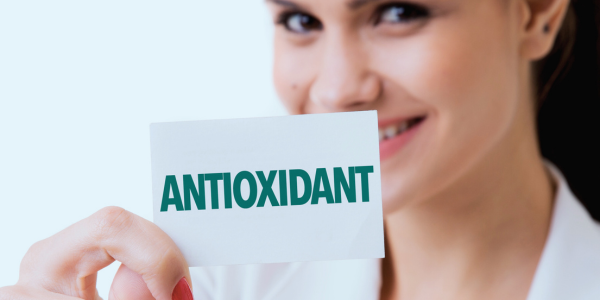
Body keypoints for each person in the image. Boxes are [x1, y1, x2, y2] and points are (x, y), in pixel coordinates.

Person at [1, 0, 598, 299]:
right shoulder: (212, 283)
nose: (337, 89)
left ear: (536, 12)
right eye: (300, 21)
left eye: (397, 13)